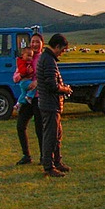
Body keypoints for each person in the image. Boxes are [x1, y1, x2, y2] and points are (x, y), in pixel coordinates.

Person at [37, 33, 73, 178]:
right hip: (50, 104)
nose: (62, 53)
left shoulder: (45, 58)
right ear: (57, 46)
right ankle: (49, 166)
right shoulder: (49, 61)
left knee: (56, 135)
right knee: (51, 136)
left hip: (49, 104)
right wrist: (65, 89)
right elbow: (52, 84)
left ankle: (57, 162)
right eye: (62, 50)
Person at [12, 32, 45, 166]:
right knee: (20, 126)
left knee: (39, 128)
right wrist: (21, 76)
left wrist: (36, 83)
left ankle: (44, 156)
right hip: (27, 98)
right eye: (33, 42)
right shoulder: (24, 57)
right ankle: (26, 155)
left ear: (42, 44)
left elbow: (48, 76)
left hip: (38, 98)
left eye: (37, 42)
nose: (35, 44)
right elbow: (15, 76)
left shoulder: (44, 58)